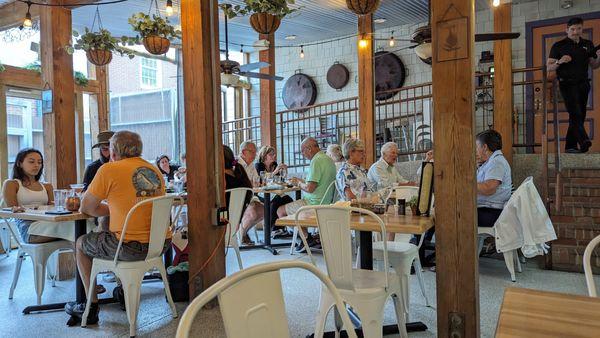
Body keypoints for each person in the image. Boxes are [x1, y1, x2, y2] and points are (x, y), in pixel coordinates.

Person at [67, 131, 171, 324]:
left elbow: (86, 207)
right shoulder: (154, 170)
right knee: (108, 233)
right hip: (160, 245)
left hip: (129, 247)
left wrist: (110, 208)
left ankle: (91, 306)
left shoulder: (108, 170)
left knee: (81, 243)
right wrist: (116, 207)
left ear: (113, 152)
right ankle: (123, 290)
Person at [547, 17, 600, 153]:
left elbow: (594, 65)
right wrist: (560, 62)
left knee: (579, 115)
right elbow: (549, 68)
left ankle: (570, 146)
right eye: (572, 29)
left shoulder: (588, 44)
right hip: (567, 84)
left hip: (583, 84)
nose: (575, 32)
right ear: (567, 30)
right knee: (575, 113)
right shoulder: (559, 46)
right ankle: (583, 140)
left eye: (578, 28)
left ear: (582, 29)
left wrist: (599, 56)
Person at [277, 137, 336, 251]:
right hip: (326, 202)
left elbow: (309, 189)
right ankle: (308, 238)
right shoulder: (328, 159)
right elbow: (316, 183)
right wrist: (300, 181)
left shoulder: (316, 161)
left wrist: (298, 183)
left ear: (309, 149)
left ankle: (306, 239)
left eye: (302, 151)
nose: (303, 154)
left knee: (280, 211)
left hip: (313, 204)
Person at [2, 148, 56, 243]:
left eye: (40, 162)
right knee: (74, 230)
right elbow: (14, 210)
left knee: (75, 228)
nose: (36, 165)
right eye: (31, 162)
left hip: (49, 224)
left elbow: (54, 208)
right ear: (19, 163)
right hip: (28, 229)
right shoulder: (12, 184)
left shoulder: (47, 186)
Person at [223, 145, 263, 244]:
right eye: (252, 152)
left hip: (223, 220)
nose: (255, 154)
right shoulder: (238, 167)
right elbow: (250, 188)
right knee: (255, 211)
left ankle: (243, 233)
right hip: (237, 215)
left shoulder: (221, 176)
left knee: (264, 210)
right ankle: (242, 233)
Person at [476, 129, 512, 228]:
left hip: (491, 213)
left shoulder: (497, 162)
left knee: (447, 214)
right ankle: (428, 240)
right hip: (485, 209)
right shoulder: (490, 162)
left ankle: (430, 240)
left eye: (476, 147)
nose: (475, 151)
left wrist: (465, 183)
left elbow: (489, 189)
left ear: (484, 147)